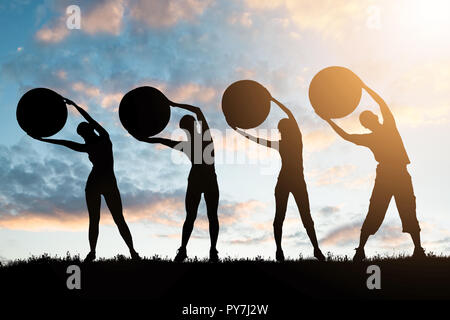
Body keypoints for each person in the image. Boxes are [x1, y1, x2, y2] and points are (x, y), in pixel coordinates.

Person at [322, 82, 425, 261]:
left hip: (398, 175)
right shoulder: (377, 134)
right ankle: (360, 249)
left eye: (368, 118)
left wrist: (363, 87)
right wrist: (328, 120)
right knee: (377, 212)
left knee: (407, 210)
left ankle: (417, 249)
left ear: (373, 119)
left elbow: (381, 104)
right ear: (368, 124)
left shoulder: (387, 127)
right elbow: (347, 135)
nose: (369, 121)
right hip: (387, 176)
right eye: (367, 120)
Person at [35, 99, 140, 262]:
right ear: (84, 134)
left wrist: (75, 106)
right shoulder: (97, 141)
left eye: (85, 130)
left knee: (115, 219)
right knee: (99, 219)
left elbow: (75, 133)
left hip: (105, 183)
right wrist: (43, 139)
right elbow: (65, 142)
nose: (85, 133)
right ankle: (95, 252)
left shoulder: (102, 139)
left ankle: (131, 252)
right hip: (98, 184)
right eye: (83, 132)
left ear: (88, 131)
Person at [235, 98, 325, 262]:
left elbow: (290, 115)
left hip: (293, 182)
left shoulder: (295, 140)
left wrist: (271, 99)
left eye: (281, 129)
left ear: (286, 129)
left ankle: (313, 249)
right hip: (288, 182)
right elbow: (260, 140)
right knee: (286, 217)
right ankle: (283, 251)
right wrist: (242, 132)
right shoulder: (288, 143)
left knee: (298, 217)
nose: (280, 132)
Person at [138, 101, 219, 262]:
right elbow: (161, 140)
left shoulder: (202, 137)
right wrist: (141, 137)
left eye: (187, 126)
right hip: (201, 180)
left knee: (208, 216)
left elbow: (197, 109)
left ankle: (210, 251)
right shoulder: (190, 143)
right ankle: (187, 250)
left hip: (204, 179)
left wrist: (171, 103)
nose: (187, 129)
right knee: (195, 216)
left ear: (192, 126)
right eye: (185, 127)